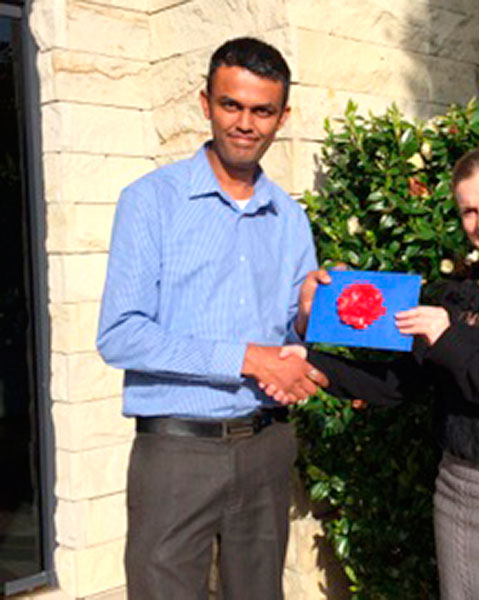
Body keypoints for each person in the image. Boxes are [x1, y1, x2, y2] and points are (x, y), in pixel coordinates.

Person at [287, 145, 479, 599]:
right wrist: (308, 350)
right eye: (469, 211)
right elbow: (393, 386)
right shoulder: (454, 297)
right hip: (458, 500)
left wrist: (449, 343)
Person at [96, 37, 328, 600]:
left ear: (282, 117)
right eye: (231, 105)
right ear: (206, 103)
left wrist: (307, 318)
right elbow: (120, 335)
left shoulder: (290, 218)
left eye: (262, 110)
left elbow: (288, 338)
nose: (245, 123)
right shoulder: (151, 201)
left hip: (267, 447)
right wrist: (245, 358)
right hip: (176, 454)